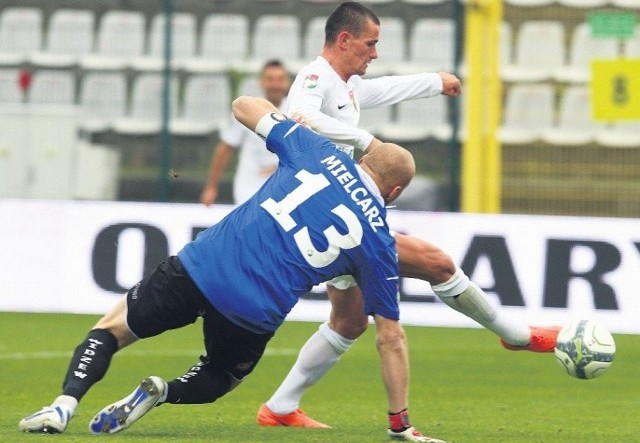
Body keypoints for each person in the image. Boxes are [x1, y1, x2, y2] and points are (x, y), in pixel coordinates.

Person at [18, 95, 444, 440]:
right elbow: (391, 337)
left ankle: (63, 405)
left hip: (202, 267)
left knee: (112, 329)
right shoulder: (379, 240)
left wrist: (296, 126)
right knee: (221, 375)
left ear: (364, 159)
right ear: (395, 190)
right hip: (254, 310)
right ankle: (163, 391)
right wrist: (398, 421)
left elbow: (243, 104)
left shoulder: (315, 151)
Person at [256, 2, 560, 441]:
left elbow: (382, 90)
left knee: (348, 321)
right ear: (344, 40)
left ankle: (280, 407)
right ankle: (515, 334)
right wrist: (368, 142)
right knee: (435, 263)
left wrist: (433, 82)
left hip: (332, 211)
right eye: (370, 43)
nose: (374, 52)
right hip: (329, 213)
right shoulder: (315, 77)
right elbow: (299, 116)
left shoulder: (346, 84)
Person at [200, 59, 290, 206]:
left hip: (284, 186)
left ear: (287, 82)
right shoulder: (247, 110)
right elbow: (225, 148)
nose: (275, 84)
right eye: (270, 79)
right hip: (249, 186)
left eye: (280, 79)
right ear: (261, 82)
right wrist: (211, 187)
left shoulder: (295, 111)